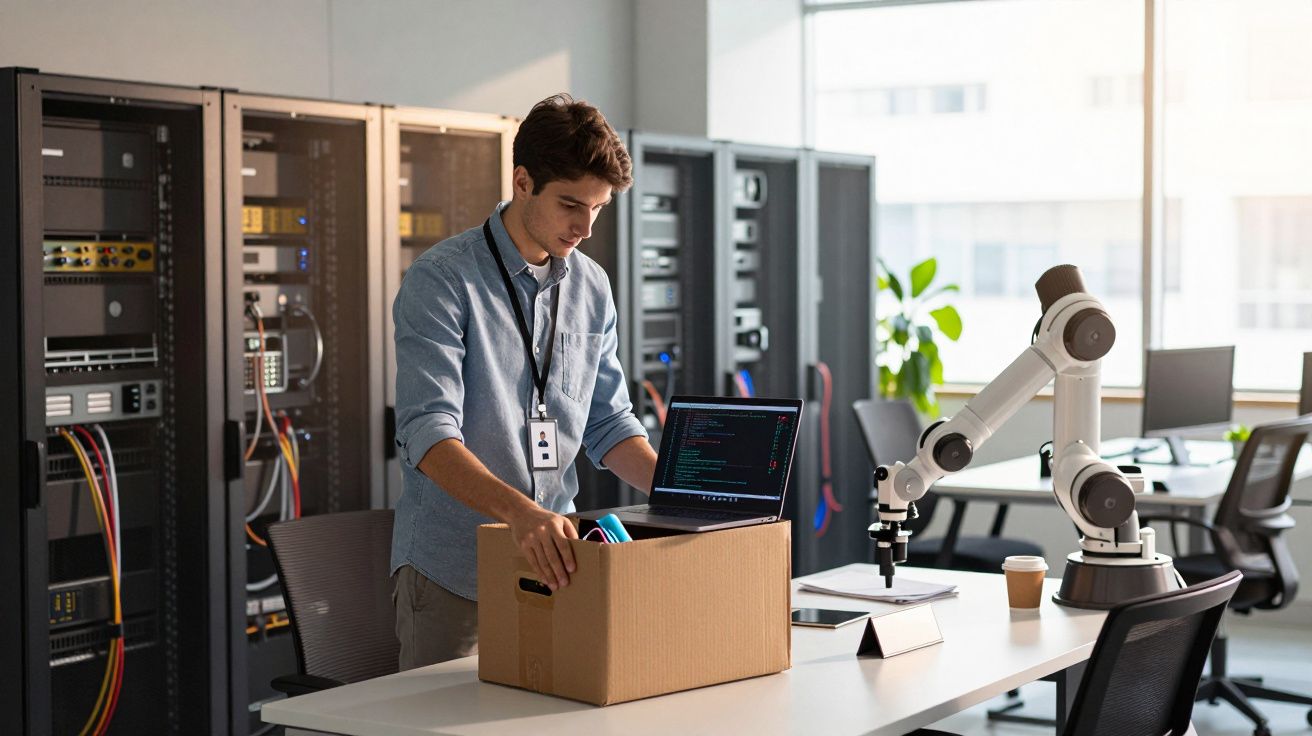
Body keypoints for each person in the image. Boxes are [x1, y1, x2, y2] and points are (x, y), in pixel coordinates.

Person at [390, 93, 657, 670]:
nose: (585, 227)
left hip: (559, 570)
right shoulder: (441, 280)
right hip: (454, 574)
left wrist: (679, 492)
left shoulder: (592, 287)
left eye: (598, 208)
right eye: (570, 205)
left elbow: (608, 424)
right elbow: (428, 435)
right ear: (522, 181)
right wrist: (520, 513)